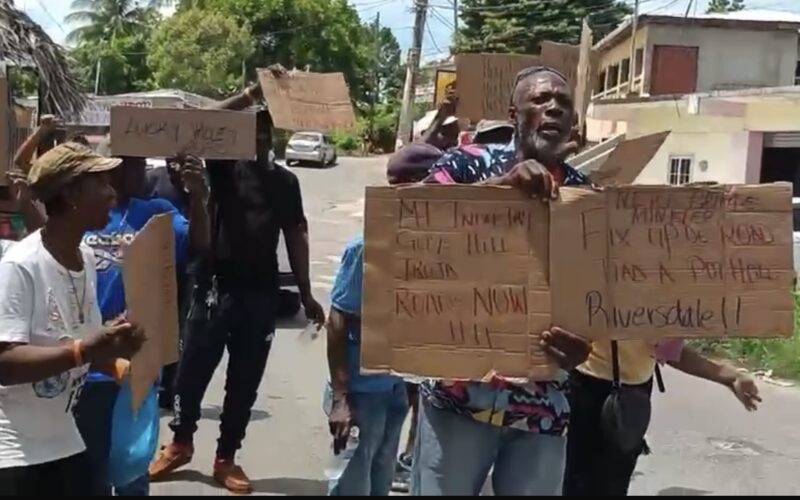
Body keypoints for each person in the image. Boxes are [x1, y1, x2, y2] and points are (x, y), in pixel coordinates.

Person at [412, 66, 592, 496]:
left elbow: (594, 292)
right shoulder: (465, 164)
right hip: (458, 402)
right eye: (541, 100)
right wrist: (499, 191)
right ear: (515, 114)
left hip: (542, 410)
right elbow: (411, 235)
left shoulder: (587, 197)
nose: (553, 109)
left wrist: (587, 344)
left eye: (563, 105)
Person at [150, 79, 326, 494]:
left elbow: (296, 235)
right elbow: (196, 126)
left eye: (266, 132)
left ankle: (226, 456)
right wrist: (247, 97)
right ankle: (181, 442)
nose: (260, 139)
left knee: (244, 381)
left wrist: (305, 292)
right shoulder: (222, 166)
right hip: (212, 285)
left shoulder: (285, 183)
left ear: (273, 138)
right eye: (252, 130)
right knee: (190, 372)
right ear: (240, 133)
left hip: (260, 293)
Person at [0, 142, 145, 495]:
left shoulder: (86, 258)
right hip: (17, 455)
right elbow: (5, 361)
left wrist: (116, 345)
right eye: (102, 184)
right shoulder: (21, 266)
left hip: (66, 440)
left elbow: (83, 336)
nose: (113, 193)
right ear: (71, 194)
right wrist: (84, 350)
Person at [75, 142, 210, 496]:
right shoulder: (82, 216)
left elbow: (198, 245)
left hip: (139, 361)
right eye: (133, 165)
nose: (144, 173)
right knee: (91, 467)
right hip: (87, 364)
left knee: (134, 466)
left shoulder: (157, 212)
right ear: (110, 172)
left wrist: (198, 198)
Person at [325, 151, 433, 497]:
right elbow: (337, 321)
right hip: (361, 391)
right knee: (352, 482)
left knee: (381, 476)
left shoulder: (425, 248)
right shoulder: (366, 248)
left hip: (393, 386)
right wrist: (341, 398)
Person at [564, 340, 762, 496]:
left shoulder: (659, 296)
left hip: (632, 397)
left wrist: (729, 377)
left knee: (611, 482)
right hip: (586, 388)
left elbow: (670, 350)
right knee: (579, 480)